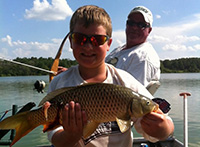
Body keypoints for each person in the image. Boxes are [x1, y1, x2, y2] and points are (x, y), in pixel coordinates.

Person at [46, 5, 174, 147]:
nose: (88, 46)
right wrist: (70, 136)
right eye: (80, 38)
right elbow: (55, 137)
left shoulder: (126, 81)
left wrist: (163, 129)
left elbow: (164, 125)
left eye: (98, 40)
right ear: (71, 41)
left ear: (108, 44)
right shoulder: (59, 82)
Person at [106, 6, 160, 88]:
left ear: (149, 30)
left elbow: (130, 96)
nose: (134, 27)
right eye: (131, 23)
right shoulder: (119, 49)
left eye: (141, 25)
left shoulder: (143, 58)